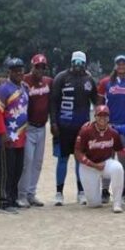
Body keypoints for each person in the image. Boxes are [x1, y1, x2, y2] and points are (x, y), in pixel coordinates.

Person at [50, 50, 98, 206]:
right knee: (62, 160)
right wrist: (53, 122)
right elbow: (53, 102)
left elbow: (97, 101)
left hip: (82, 128)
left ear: (84, 63)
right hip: (63, 126)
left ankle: (81, 191)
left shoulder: (89, 79)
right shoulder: (61, 78)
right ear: (71, 62)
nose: (78, 66)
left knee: (81, 160)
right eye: (75, 62)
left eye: (81, 63)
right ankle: (59, 193)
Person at [96, 54, 125, 203]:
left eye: (124, 64)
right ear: (115, 66)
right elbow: (99, 104)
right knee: (106, 159)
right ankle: (104, 190)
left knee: (124, 160)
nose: (121, 66)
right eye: (119, 64)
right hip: (109, 125)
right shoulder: (106, 82)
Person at [0, 58, 29, 213]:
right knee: (5, 171)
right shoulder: (3, 89)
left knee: (17, 170)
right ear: (9, 72)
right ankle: (4, 201)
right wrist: (2, 133)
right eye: (15, 70)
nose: (19, 73)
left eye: (21, 70)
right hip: (6, 137)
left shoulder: (24, 87)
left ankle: (13, 199)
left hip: (20, 136)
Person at [74, 105, 125, 213]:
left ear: (109, 117)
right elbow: (77, 153)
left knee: (118, 168)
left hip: (105, 163)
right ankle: (95, 196)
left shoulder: (113, 132)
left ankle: (117, 202)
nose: (102, 118)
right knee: (94, 204)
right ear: (95, 116)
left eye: (105, 115)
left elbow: (119, 149)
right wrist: (93, 165)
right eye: (99, 115)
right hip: (88, 165)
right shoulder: (86, 131)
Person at [17, 54, 52, 208]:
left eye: (42, 67)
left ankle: (31, 194)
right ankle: (22, 195)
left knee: (37, 162)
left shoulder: (48, 82)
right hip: (28, 127)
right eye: (37, 66)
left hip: (42, 127)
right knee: (27, 161)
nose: (40, 69)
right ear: (32, 66)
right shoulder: (24, 81)